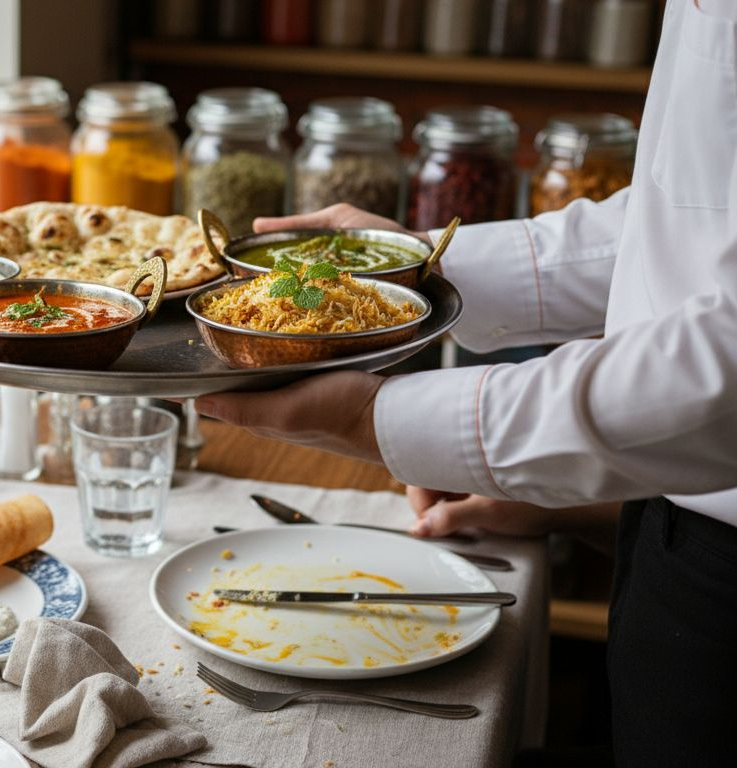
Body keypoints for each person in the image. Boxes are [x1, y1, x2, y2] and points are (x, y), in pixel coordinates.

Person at [195, 2, 735, 764]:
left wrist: (381, 423)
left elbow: (725, 363)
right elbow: (682, 222)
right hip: (668, 531)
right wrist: (413, 269)